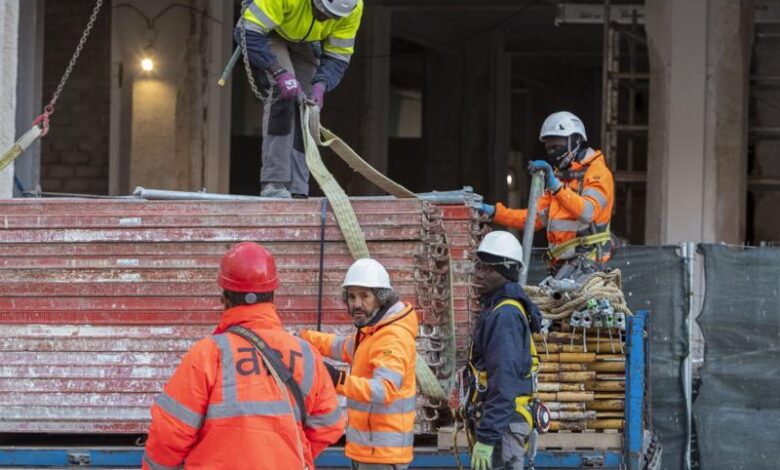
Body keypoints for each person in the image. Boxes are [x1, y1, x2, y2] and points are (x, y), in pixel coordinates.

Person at [143, 242, 344, 470]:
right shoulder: (306, 354)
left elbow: (170, 431)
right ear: (272, 295)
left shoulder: (207, 355)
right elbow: (329, 424)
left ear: (224, 297)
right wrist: (288, 455)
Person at [237, 0, 363, 198]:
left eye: (333, 16)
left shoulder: (353, 8)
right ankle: (275, 183)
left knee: (307, 107)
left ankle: (298, 187)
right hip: (269, 32)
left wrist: (321, 85)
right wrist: (279, 73)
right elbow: (247, 31)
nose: (326, 18)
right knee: (284, 94)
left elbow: (339, 56)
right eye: (323, 13)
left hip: (306, 41)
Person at [300, 258, 418, 469]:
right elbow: (343, 347)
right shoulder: (374, 333)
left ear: (381, 298)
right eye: (352, 296)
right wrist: (304, 338)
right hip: (369, 452)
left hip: (382, 456)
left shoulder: (392, 337)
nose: (356, 304)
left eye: (364, 296)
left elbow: (383, 390)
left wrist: (337, 379)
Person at [479, 111, 615, 281]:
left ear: (576, 141)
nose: (552, 152)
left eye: (557, 146)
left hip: (587, 267)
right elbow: (533, 220)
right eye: (549, 147)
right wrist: (494, 212)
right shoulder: (560, 178)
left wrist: (555, 186)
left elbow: (588, 212)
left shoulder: (598, 173)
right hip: (562, 268)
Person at [466, 231, 543, 470]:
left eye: (489, 269)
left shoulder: (505, 316)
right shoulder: (498, 308)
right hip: (502, 423)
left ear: (507, 273)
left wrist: (488, 438)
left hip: (503, 427)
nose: (479, 274)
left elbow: (505, 381)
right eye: (479, 266)